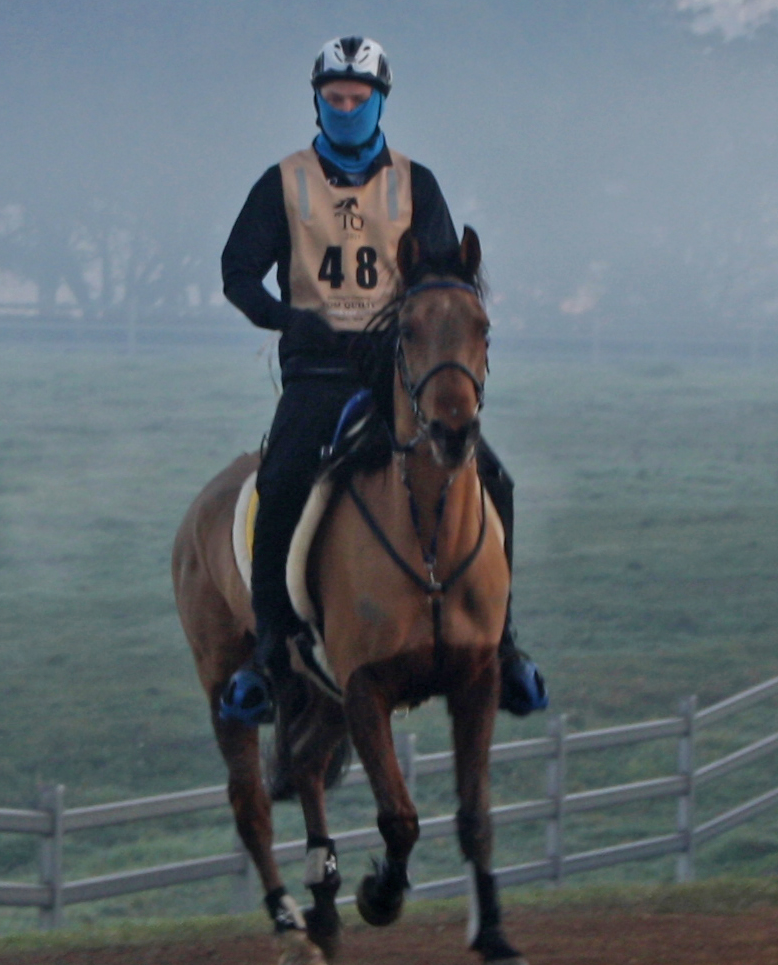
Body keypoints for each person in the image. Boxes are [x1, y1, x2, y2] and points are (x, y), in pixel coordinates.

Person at [215, 36, 545, 727]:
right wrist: (286, 319)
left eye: (357, 98)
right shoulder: (283, 182)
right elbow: (237, 273)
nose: (345, 109)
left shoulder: (416, 183)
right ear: (316, 101)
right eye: (333, 98)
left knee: (495, 478)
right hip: (317, 369)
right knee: (282, 480)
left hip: (398, 366)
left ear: (378, 102)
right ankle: (269, 651)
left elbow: (447, 274)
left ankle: (504, 642)